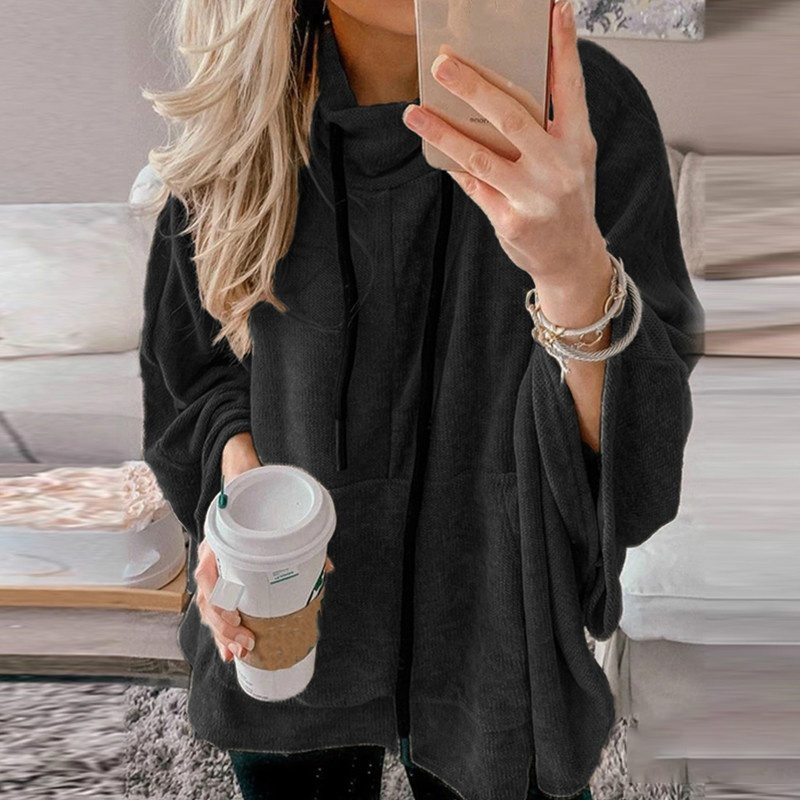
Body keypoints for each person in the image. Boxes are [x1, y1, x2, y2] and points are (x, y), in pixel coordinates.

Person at [138, 0, 704, 798]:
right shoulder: (242, 115)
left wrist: (574, 272)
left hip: (500, 650)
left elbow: (636, 482)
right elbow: (194, 372)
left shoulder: (591, 114)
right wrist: (241, 496)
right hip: (286, 622)